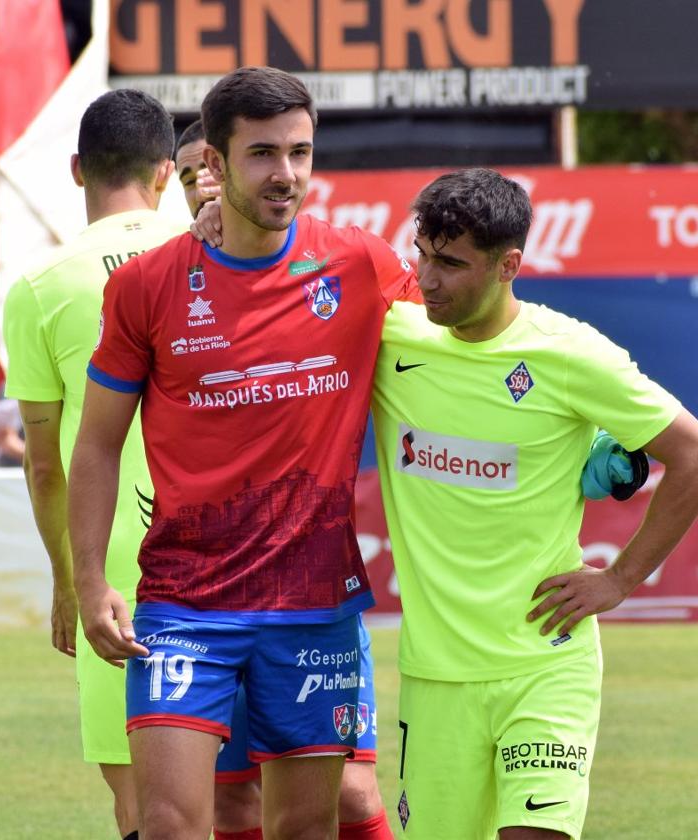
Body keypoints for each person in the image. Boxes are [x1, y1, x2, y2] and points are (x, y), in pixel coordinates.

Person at [69, 66, 420, 839]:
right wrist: (89, 580)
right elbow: (95, 445)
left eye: (300, 152)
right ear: (212, 166)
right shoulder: (146, 287)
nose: (286, 174)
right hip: (183, 602)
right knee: (168, 821)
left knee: (309, 824)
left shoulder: (362, 266)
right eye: (263, 153)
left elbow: (464, 358)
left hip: (313, 606)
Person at [370, 167, 698, 839]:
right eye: (422, 254)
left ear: (509, 265)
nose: (430, 277)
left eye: (451, 262)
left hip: (546, 665)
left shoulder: (570, 355)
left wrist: (620, 579)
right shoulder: (393, 337)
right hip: (435, 677)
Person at [176, 118, 394, 840]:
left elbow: (453, 332)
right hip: (201, 597)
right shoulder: (159, 284)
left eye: (293, 153)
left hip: (311, 591)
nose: (206, 193)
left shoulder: (341, 263)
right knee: (231, 800)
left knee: (354, 797)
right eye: (190, 181)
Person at [3, 88, 180, 840]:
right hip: (229, 559)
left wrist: (69, 579)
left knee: (141, 806)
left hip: (115, 572)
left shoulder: (41, 288)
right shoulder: (217, 259)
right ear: (167, 173)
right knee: (245, 795)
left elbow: (44, 466)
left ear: (76, 171)